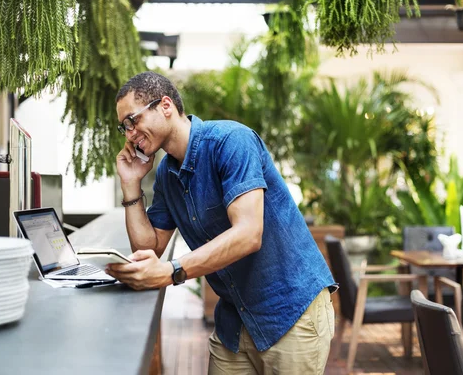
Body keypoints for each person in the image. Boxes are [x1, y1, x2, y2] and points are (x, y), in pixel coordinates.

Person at [107, 71, 337, 374]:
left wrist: (172, 272)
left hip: (290, 312)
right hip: (234, 320)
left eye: (132, 120)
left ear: (165, 106)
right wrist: (131, 184)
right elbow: (149, 248)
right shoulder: (166, 175)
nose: (129, 134)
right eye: (123, 126)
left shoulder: (231, 141)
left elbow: (248, 234)